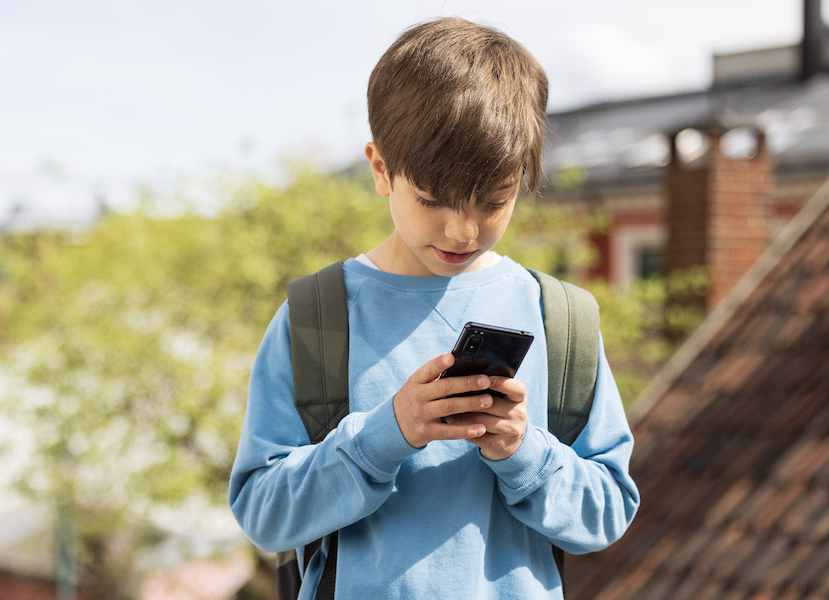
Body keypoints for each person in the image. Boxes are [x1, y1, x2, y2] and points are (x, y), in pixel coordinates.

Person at [228, 17, 638, 599]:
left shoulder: (561, 318)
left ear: (520, 181)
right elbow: (262, 514)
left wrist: (524, 451)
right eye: (430, 199)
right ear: (379, 169)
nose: (461, 229)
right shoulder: (315, 318)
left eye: (493, 201)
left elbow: (607, 513)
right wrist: (386, 434)